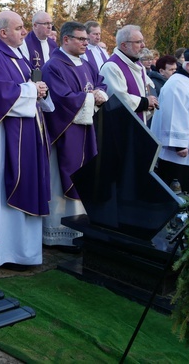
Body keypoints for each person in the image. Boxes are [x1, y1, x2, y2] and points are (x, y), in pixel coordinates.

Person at [0, 11, 52, 269]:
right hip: (4, 136)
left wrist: (38, 90)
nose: (24, 32)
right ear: (3, 32)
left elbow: (24, 85)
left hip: (26, 131)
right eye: (19, 28)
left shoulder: (16, 54)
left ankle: (22, 251)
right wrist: (31, 90)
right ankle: (0, 252)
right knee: (2, 189)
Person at [41, 22, 108, 249]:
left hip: (85, 130)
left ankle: (81, 230)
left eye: (86, 40)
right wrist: (91, 98)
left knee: (85, 175)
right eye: (80, 39)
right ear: (66, 39)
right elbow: (62, 100)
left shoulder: (86, 63)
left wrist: (99, 93)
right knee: (64, 180)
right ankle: (59, 232)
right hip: (66, 134)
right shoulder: (54, 66)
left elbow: (99, 83)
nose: (85, 43)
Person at [150, 44, 189, 193]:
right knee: (179, 189)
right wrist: (179, 145)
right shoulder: (176, 84)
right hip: (180, 154)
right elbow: (173, 115)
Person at [100, 25, 158, 124]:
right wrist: (145, 102)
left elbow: (148, 88)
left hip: (138, 123)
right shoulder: (112, 67)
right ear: (124, 45)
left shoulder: (138, 64)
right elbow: (118, 100)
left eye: (142, 41)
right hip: (120, 126)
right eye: (138, 42)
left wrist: (151, 102)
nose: (143, 45)